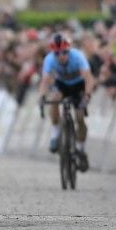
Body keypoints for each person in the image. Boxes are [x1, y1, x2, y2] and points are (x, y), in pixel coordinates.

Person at [38, 34, 94, 172]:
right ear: (53, 53)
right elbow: (45, 80)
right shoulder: (49, 59)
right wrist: (42, 96)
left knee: (80, 117)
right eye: (57, 53)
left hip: (78, 86)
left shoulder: (78, 56)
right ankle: (56, 133)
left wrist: (87, 95)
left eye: (64, 52)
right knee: (55, 99)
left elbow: (88, 78)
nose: (61, 56)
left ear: (69, 50)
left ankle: (81, 149)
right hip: (62, 85)